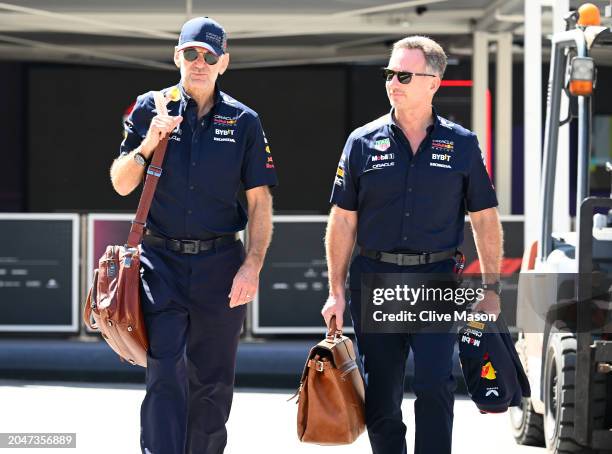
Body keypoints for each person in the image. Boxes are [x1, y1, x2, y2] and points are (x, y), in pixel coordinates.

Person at [321, 36, 503, 454]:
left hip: (436, 277)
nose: (393, 83)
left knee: (436, 383)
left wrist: (491, 289)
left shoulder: (461, 144)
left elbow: (484, 217)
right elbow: (343, 220)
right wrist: (334, 291)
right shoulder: (361, 142)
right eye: (390, 73)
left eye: (404, 75)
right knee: (382, 391)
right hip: (375, 278)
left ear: (433, 82)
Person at [109, 17, 277, 454]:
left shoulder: (244, 121)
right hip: (159, 262)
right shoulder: (152, 106)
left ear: (224, 63)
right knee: (164, 370)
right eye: (191, 53)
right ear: (177, 57)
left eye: (209, 55)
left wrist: (252, 266)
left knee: (213, 380)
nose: (199, 62)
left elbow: (260, 202)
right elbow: (121, 182)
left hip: (221, 264)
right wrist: (149, 142)